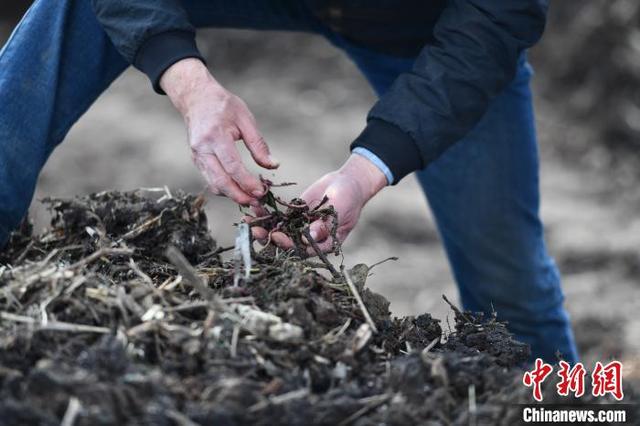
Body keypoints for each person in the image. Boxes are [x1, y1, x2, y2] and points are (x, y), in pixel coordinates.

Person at [0, 0, 577, 363]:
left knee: (513, 291)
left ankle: (563, 404)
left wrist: (368, 167)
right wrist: (187, 80)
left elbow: (498, 19)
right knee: (76, 8)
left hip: (425, 26)